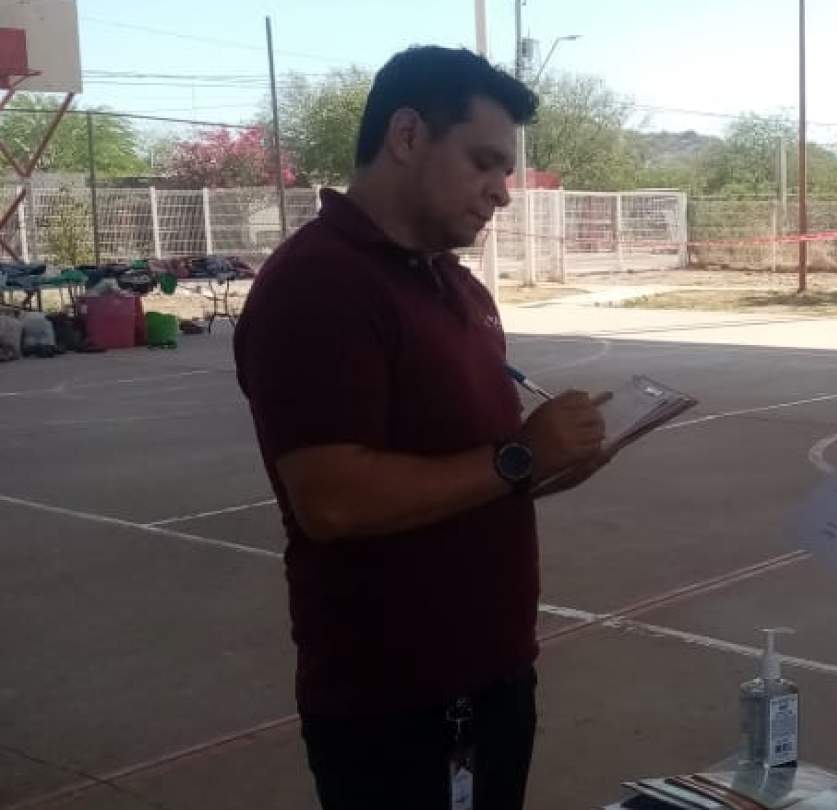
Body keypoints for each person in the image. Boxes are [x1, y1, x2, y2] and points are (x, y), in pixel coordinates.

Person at [235, 46, 613, 810]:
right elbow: (332, 499)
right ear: (406, 136)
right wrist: (519, 456)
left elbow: (479, 469)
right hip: (393, 702)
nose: (502, 192)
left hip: (494, 672)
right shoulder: (320, 284)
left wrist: (551, 461)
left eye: (506, 171)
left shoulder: (457, 288)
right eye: (484, 162)